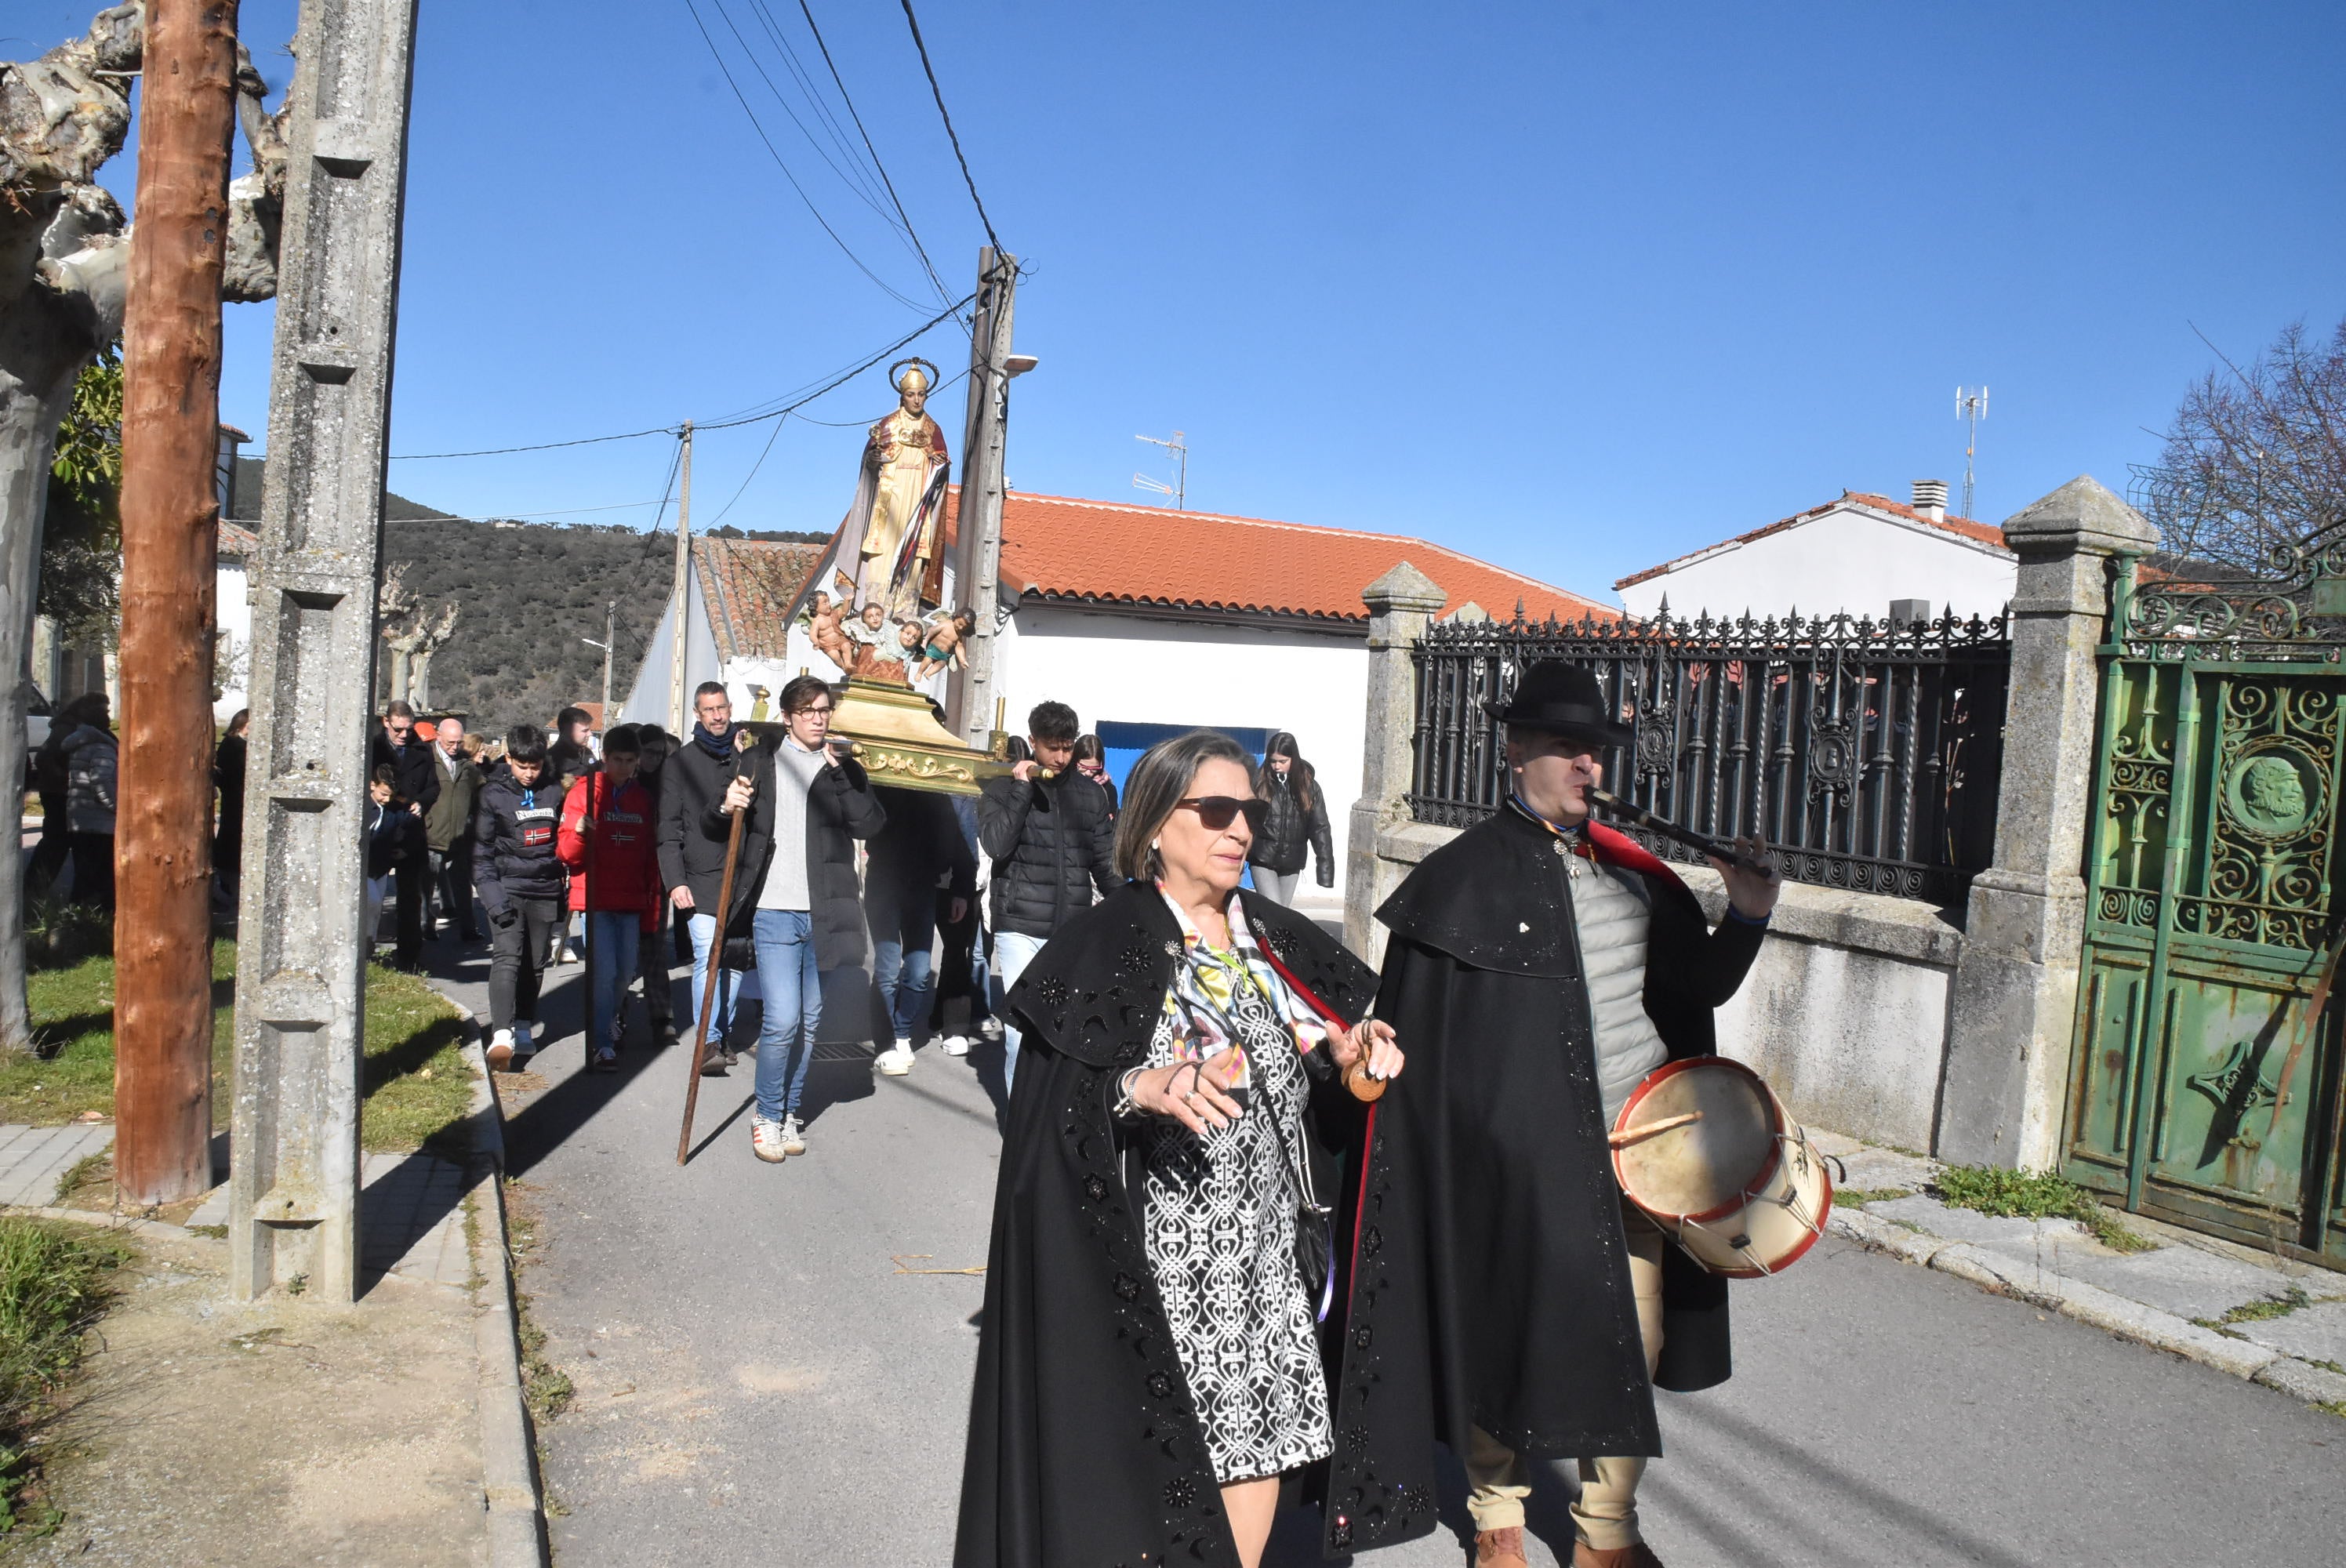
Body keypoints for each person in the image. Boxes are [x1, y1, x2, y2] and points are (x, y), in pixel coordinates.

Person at [1321, 661, 1780, 1568]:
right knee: (1511, 1327)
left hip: (1641, 1147)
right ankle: (1497, 1513)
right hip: (1517, 1161)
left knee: (1632, 1331)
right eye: (1567, 748)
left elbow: (1698, 987)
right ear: (1516, 749)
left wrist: (1750, 914)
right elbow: (1421, 1041)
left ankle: (1605, 1528)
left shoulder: (1638, 873)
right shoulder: (1454, 884)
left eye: (1597, 750)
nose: (1587, 766)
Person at [954, 730, 1405, 1568]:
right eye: (1219, 810)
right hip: (1160, 1262)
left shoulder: (1272, 938)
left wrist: (1349, 1058)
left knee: (1256, 1445)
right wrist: (1136, 1087)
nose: (1243, 830)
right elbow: (1058, 1108)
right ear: (1158, 823)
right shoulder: (1102, 942)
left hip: (1268, 1254)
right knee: (1160, 1469)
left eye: (1252, 813)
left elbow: (1318, 1060)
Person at [700, 677, 884, 1161]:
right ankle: (765, 1115)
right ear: (787, 717)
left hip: (823, 913)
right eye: (807, 711)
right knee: (782, 1019)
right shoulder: (759, 761)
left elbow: (869, 824)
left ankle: (788, 1112)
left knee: (810, 1022)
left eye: (823, 710)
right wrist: (726, 805)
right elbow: (713, 823)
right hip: (773, 911)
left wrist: (842, 774)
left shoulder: (842, 766)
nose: (818, 718)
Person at [977, 701, 1118, 1091]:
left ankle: (1050, 1126)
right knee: (1022, 1034)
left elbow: (1105, 864)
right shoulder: (1002, 787)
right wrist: (1023, 789)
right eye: (1052, 747)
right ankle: (1020, 1135)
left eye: (1067, 747)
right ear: (1032, 741)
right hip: (1018, 926)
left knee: (1066, 1033)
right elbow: (997, 846)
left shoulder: (1090, 795)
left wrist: (1133, 905)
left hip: (1070, 931)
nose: (1059, 757)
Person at [558, 725, 663, 1073]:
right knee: (602, 974)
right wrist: (578, 834)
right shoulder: (583, 794)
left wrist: (652, 905)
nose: (623, 767)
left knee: (624, 975)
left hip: (631, 900)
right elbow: (567, 855)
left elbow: (649, 854)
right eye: (617, 759)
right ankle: (601, 1043)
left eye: (630, 760)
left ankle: (610, 1020)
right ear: (605, 758)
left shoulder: (642, 799)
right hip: (597, 900)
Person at [474, 725, 568, 1069]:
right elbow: (481, 854)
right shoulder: (492, 795)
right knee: (507, 958)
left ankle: (524, 1024)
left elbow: (567, 840)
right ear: (509, 758)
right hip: (507, 888)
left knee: (535, 963)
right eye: (522, 766)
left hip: (545, 889)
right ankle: (501, 1035)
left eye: (536, 766)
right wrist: (493, 900)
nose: (529, 774)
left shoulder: (555, 792)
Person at [865, 783, 975, 1076]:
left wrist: (961, 890)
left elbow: (960, 842)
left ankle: (902, 1033)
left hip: (924, 887)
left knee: (919, 970)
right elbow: (865, 824)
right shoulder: (883, 783)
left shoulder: (938, 791)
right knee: (888, 969)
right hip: (883, 883)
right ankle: (886, 1042)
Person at [369, 700, 440, 971]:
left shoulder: (421, 749)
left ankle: (409, 957)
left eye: (408, 729)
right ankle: (366, 949)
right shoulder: (373, 748)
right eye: (398, 729)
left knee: (410, 898)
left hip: (410, 830)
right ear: (386, 722)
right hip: (380, 827)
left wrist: (421, 802)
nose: (403, 735)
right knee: (370, 896)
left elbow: (433, 786)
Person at [931, 790, 995, 1057]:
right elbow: (965, 843)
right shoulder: (957, 791)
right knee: (954, 951)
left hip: (973, 881)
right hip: (946, 878)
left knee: (959, 951)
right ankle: (949, 1024)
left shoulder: (988, 794)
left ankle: (945, 1022)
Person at [630, 722, 679, 1040]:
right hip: (625, 873)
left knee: (655, 947)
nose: (654, 759)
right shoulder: (624, 782)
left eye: (660, 754)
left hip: (656, 875)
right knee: (621, 956)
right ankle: (614, 1018)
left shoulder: (668, 784)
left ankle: (661, 1016)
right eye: (649, 752)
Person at [1246, 730, 1333, 906]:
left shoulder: (1309, 787)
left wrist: (1325, 869)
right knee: (1273, 907)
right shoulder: (1258, 782)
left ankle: (1260, 932)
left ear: (1294, 759)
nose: (1277, 766)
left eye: (1282, 761)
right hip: (1262, 858)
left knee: (1281, 916)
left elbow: (1320, 828)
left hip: (1292, 862)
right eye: (1273, 761)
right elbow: (1244, 821)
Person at [53, 693, 118, 913]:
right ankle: (94, 918)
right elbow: (102, 782)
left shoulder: (80, 743)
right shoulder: (101, 747)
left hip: (80, 818)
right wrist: (117, 808)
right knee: (100, 874)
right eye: (106, 712)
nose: (109, 716)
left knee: (84, 875)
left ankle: (78, 917)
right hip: (100, 821)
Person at [424, 715, 483, 940]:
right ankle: (426, 928)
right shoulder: (428, 760)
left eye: (459, 742)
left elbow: (481, 791)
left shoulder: (466, 764)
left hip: (460, 835)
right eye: (450, 742)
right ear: (438, 736)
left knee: (462, 886)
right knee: (427, 887)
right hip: (433, 834)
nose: (455, 747)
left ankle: (469, 929)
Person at [361, 764, 423, 957]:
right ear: (373, 785)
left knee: (376, 908)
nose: (386, 799)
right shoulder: (364, 807)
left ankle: (369, 945)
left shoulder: (394, 810)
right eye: (383, 793)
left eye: (390, 795)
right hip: (364, 868)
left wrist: (417, 807)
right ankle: (362, 941)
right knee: (371, 901)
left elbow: (413, 826)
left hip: (381, 868)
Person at [214, 709, 249, 905]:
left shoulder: (239, 744)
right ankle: (228, 886)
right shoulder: (232, 745)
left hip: (239, 799)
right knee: (231, 838)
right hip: (235, 800)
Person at [1070, 732, 1118, 815]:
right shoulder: (1063, 782)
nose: (1088, 773)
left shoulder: (1107, 789)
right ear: (1074, 760)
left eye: (1094, 769)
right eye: (1083, 767)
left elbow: (1114, 818)